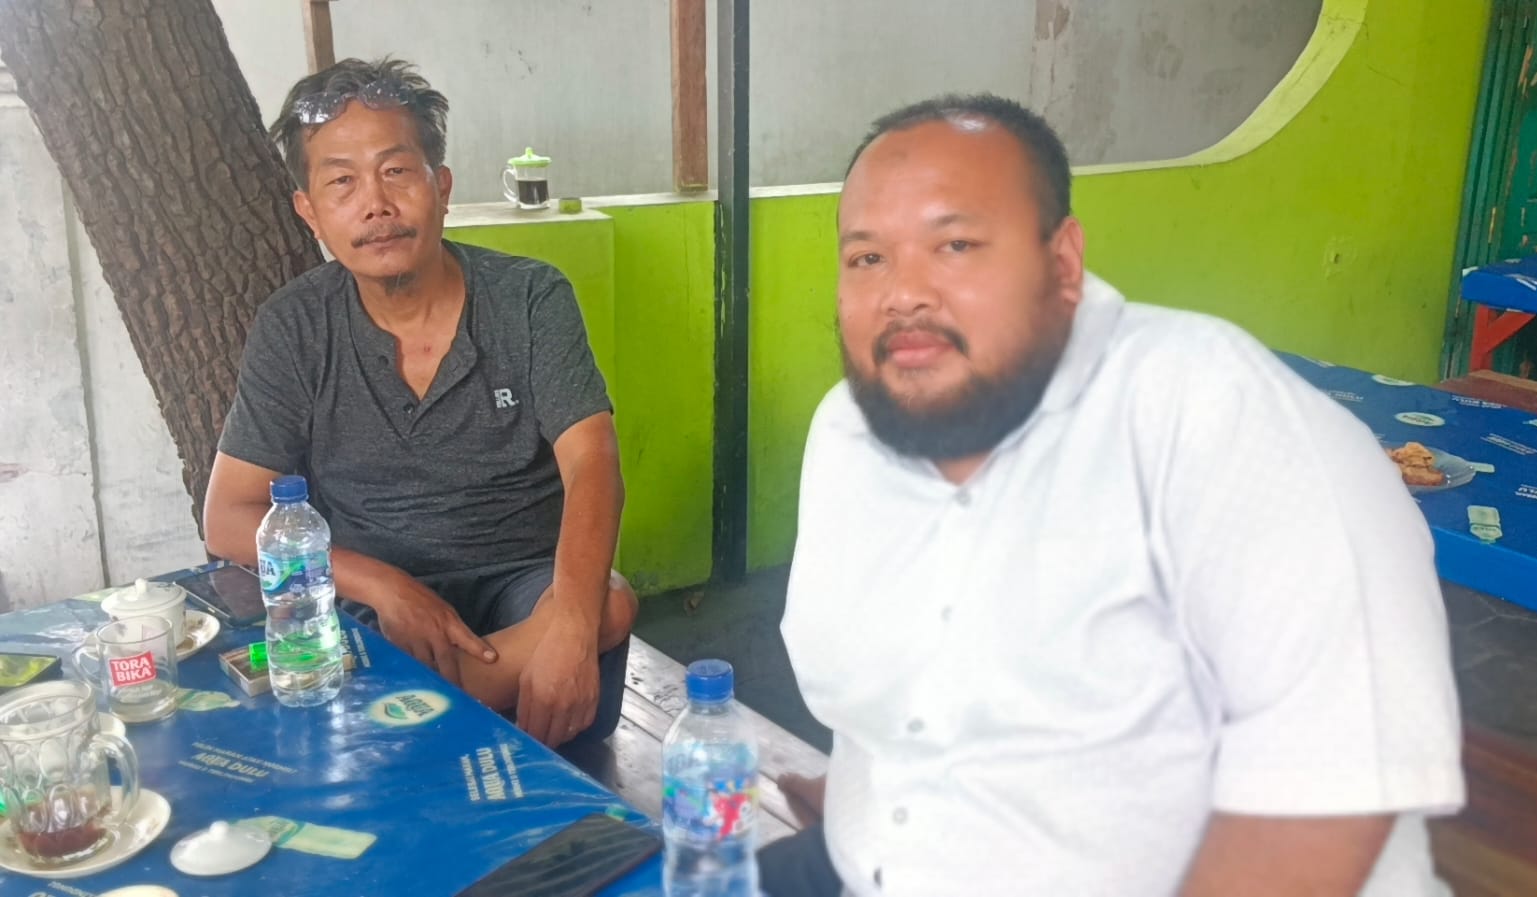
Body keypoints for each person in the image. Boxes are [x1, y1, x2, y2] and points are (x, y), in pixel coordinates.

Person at [762, 94, 1464, 896]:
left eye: (954, 245)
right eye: (866, 259)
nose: (903, 292)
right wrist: (878, 804)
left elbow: (1321, 817)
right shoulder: (848, 432)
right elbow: (914, 696)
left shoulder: (1221, 424)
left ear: (1062, 264)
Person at [202, 58, 636, 748]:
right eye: (342, 182)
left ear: (442, 187)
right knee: (317, 638)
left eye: (397, 171)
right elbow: (228, 516)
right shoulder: (295, 326)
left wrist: (573, 632)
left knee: (604, 602)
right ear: (309, 212)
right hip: (375, 612)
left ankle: (392, 713)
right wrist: (385, 585)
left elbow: (593, 464)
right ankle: (442, 706)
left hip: (522, 592)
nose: (375, 204)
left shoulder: (529, 298)